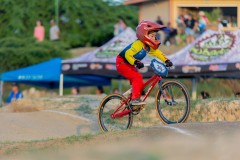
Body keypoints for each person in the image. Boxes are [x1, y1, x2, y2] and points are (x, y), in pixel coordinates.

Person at [116, 20, 173, 106]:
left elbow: (158, 53)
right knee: (137, 77)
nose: (155, 38)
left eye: (155, 36)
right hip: (122, 62)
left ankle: (128, 98)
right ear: (144, 35)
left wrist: (166, 60)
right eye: (152, 35)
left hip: (130, 64)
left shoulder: (149, 47)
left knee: (139, 83)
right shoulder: (138, 44)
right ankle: (134, 100)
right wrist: (136, 62)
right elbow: (128, 54)